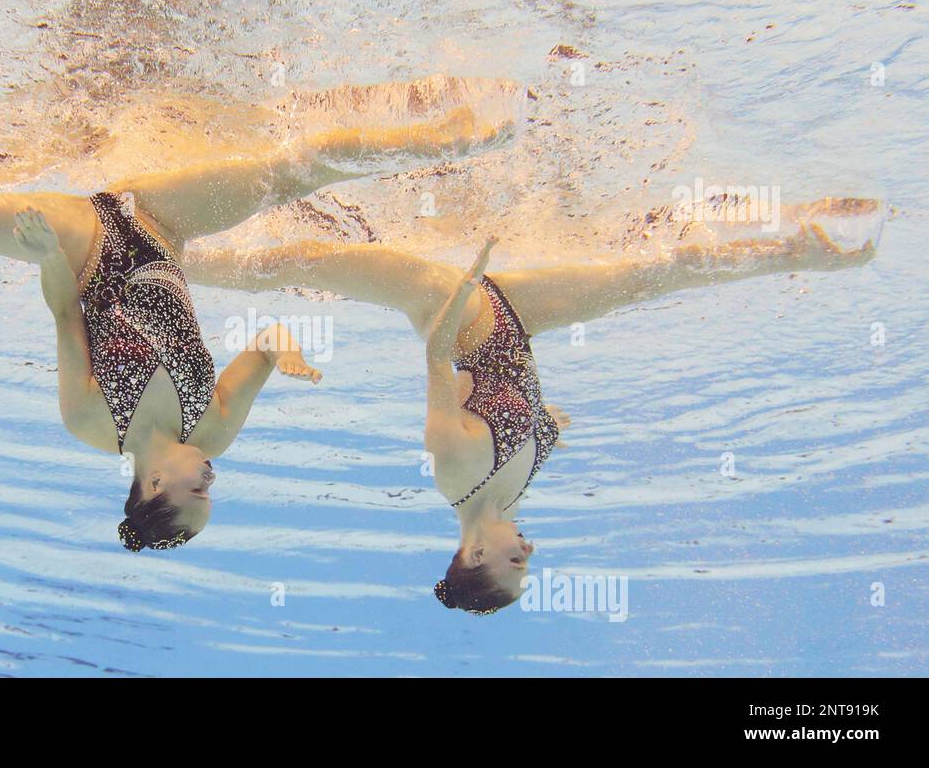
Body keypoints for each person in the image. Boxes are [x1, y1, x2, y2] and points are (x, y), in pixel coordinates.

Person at [0, 91, 513, 551]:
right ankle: (439, 137)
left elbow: (59, 309)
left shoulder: (90, 419)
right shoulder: (213, 430)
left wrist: (48, 247)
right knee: (285, 174)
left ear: (152, 485)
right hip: (161, 227)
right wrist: (284, 350)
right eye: (209, 493)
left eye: (193, 493)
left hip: (86, 248)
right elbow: (260, 348)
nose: (210, 480)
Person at [183, 204, 878, 612]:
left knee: (315, 261)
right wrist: (551, 425)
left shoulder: (454, 475)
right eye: (529, 565)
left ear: (475, 552)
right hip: (521, 320)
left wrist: (466, 275)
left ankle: (185, 254)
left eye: (515, 564)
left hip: (462, 311)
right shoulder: (513, 489)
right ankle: (798, 246)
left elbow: (435, 364)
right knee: (651, 276)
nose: (529, 552)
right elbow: (521, 417)